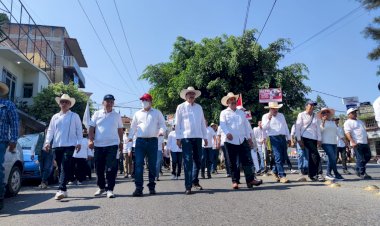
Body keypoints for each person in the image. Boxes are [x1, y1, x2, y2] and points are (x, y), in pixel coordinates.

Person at [220, 92, 262, 189]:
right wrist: (227, 133)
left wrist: (249, 138)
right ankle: (235, 181)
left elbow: (246, 127)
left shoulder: (241, 113)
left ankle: (250, 180)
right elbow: (223, 125)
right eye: (231, 100)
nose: (233, 102)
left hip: (242, 139)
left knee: (247, 160)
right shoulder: (224, 113)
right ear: (227, 102)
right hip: (230, 140)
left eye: (234, 100)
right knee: (232, 162)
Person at [45, 94, 83, 200]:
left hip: (70, 145)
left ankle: (61, 189)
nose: (64, 104)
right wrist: (47, 142)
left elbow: (79, 130)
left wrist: (79, 142)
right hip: (57, 145)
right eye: (62, 102)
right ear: (59, 103)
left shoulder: (74, 116)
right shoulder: (55, 117)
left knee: (64, 166)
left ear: (70, 104)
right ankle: (64, 189)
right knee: (60, 167)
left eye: (66, 102)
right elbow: (50, 130)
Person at [128, 93, 166, 196]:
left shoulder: (157, 113)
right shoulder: (137, 114)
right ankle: (138, 188)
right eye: (142, 100)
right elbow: (133, 127)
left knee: (152, 165)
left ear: (151, 101)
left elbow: (163, 124)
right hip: (140, 142)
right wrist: (130, 138)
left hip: (153, 141)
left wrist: (161, 131)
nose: (144, 102)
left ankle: (152, 186)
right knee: (139, 164)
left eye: (146, 100)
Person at [89, 94, 124, 198]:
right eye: (107, 101)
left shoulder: (116, 115)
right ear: (103, 102)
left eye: (111, 101)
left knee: (111, 168)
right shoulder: (96, 114)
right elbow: (91, 128)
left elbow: (120, 130)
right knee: (99, 168)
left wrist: (121, 142)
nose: (109, 103)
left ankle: (110, 189)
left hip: (112, 145)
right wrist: (90, 140)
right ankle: (101, 187)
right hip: (99, 145)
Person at [175, 87, 208, 195]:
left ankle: (194, 180)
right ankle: (188, 186)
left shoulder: (199, 107)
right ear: (186, 96)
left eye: (193, 94)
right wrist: (178, 138)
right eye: (189, 94)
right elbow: (177, 123)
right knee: (188, 161)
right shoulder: (180, 107)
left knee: (198, 160)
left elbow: (203, 123)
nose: (191, 95)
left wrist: (205, 137)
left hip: (198, 137)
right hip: (186, 137)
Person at [0, 81, 19, 210]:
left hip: (1, 140)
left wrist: (13, 140)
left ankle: (0, 197)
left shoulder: (7, 105)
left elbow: (14, 123)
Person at [261, 102, 291, 183]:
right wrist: (269, 119)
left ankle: (274, 171)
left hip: (282, 137)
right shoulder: (265, 116)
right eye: (273, 108)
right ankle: (282, 175)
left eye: (276, 108)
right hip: (273, 138)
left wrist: (289, 138)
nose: (275, 110)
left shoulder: (281, 115)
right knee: (278, 156)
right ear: (270, 109)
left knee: (283, 157)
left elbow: (285, 126)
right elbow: (264, 128)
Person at [296, 101, 324, 182]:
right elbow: (298, 127)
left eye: (313, 105)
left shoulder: (316, 116)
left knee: (312, 157)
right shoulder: (301, 114)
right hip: (305, 137)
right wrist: (299, 139)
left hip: (314, 138)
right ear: (306, 106)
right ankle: (319, 173)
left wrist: (319, 139)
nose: (312, 106)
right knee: (316, 155)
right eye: (310, 105)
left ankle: (312, 175)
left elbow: (318, 128)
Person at [344, 108, 372, 179]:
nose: (355, 114)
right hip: (357, 143)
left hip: (364, 142)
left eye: (355, 112)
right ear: (349, 114)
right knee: (360, 159)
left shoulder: (360, 121)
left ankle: (357, 168)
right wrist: (352, 141)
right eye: (353, 113)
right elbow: (347, 133)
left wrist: (367, 139)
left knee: (368, 156)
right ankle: (362, 173)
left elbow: (364, 131)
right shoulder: (348, 122)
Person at [318, 108, 344, 181]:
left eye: (327, 112)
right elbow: (320, 131)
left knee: (332, 158)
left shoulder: (333, 122)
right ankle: (336, 173)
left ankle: (328, 173)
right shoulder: (319, 122)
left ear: (329, 114)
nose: (325, 114)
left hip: (334, 142)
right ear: (321, 114)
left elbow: (337, 132)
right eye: (323, 113)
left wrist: (344, 139)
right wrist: (323, 122)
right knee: (332, 157)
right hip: (325, 142)